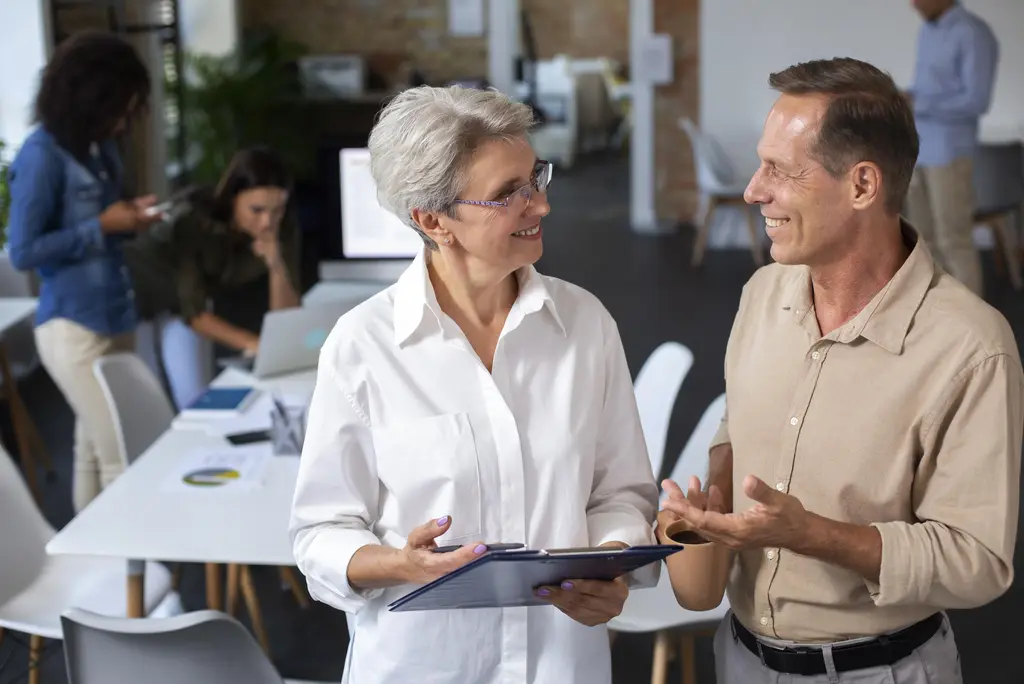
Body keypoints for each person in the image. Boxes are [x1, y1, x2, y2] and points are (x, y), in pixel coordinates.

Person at [659, 57, 1022, 684]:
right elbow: (737, 417)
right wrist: (717, 489)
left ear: (861, 186)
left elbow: (977, 560)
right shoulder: (761, 293)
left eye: (779, 169)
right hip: (738, 658)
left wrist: (813, 534)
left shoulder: (971, 347)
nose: (752, 190)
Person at [289, 85, 658, 684]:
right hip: (423, 668)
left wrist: (611, 564)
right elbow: (320, 532)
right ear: (434, 221)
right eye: (507, 194)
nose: (538, 205)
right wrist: (398, 564)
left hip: (561, 666)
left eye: (535, 179)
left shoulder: (585, 324)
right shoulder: (363, 347)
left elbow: (620, 494)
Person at [6, 32, 160, 512]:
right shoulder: (40, 155)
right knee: (121, 454)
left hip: (117, 313)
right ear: (90, 98)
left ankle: (100, 575)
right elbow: (23, 251)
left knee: (92, 452)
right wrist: (100, 225)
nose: (123, 122)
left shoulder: (98, 147)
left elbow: (103, 221)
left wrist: (127, 217)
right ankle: (133, 575)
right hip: (72, 327)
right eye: (120, 108)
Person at [124, 146, 302, 409]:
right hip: (137, 296)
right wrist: (256, 344)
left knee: (194, 397)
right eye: (257, 210)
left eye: (277, 210)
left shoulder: (281, 226)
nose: (267, 222)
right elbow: (194, 311)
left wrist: (276, 264)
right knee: (144, 401)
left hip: (182, 305)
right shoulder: (194, 221)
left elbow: (286, 318)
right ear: (233, 199)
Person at [903, 0, 998, 297]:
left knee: (954, 241)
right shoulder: (926, 32)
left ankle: (974, 331)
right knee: (923, 241)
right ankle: (942, 318)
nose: (913, 4)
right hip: (918, 149)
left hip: (950, 154)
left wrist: (920, 104)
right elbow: (930, 89)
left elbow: (977, 100)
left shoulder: (973, 32)